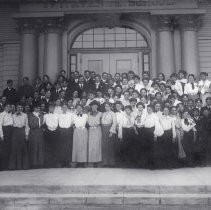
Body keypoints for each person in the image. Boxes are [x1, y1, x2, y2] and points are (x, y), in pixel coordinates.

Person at [9, 103, 29, 170]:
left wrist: (26, 134)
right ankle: (13, 166)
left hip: (22, 132)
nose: (20, 109)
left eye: (21, 107)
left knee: (23, 148)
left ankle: (23, 166)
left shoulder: (25, 115)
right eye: (18, 107)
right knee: (14, 148)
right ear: (16, 108)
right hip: (15, 132)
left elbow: (27, 126)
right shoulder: (12, 115)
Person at [28, 103, 44, 168]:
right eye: (36, 108)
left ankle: (40, 163)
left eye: (39, 108)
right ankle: (33, 164)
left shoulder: (41, 114)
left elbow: (42, 123)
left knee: (40, 147)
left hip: (39, 132)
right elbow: (31, 124)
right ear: (34, 108)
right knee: (34, 147)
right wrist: (38, 124)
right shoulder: (30, 115)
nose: (38, 109)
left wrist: (39, 125)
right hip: (33, 132)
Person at [58, 102, 74, 167]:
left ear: (67, 108)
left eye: (65, 107)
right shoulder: (59, 115)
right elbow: (58, 122)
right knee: (62, 146)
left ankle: (68, 162)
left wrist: (68, 128)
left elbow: (72, 122)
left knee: (68, 146)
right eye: (63, 107)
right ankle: (62, 162)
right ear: (61, 108)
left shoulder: (70, 114)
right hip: (61, 131)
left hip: (68, 130)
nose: (64, 108)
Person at [101, 102, 117, 167]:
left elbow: (114, 122)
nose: (106, 107)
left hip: (109, 129)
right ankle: (105, 162)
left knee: (110, 146)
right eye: (105, 106)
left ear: (110, 107)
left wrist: (111, 131)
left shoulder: (113, 113)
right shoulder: (103, 113)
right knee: (104, 146)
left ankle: (111, 163)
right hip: (103, 129)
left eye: (107, 106)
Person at [87, 100, 102, 167]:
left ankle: (97, 161)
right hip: (90, 130)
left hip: (97, 129)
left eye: (95, 106)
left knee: (97, 145)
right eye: (92, 106)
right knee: (91, 145)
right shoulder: (88, 114)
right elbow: (87, 122)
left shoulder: (100, 113)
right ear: (91, 107)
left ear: (97, 107)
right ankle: (91, 161)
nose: (94, 107)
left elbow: (101, 122)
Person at [0, 103, 13, 170]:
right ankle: (3, 166)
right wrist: (1, 135)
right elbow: (0, 125)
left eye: (9, 106)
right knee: (4, 149)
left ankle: (9, 166)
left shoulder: (11, 114)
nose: (8, 107)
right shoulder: (2, 114)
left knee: (10, 149)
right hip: (5, 132)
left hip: (11, 131)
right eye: (7, 106)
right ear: (4, 107)